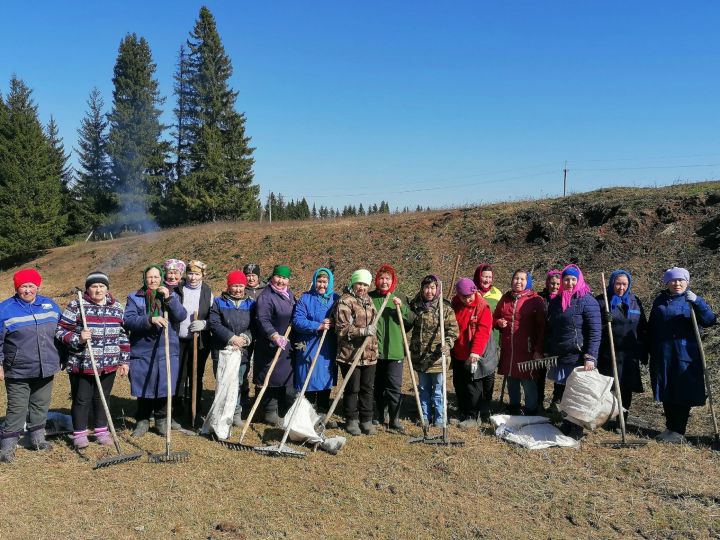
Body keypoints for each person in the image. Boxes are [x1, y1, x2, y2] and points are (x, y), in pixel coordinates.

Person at [56, 271, 131, 449]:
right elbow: (60, 331)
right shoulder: (76, 305)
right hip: (83, 362)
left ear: (107, 288)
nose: (98, 290)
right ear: (87, 289)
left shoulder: (117, 307)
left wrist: (124, 361)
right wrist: (79, 339)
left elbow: (123, 336)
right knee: (82, 398)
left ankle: (101, 431)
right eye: (94, 286)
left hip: (108, 363)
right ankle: (80, 434)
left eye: (101, 286)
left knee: (102, 397)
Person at [0, 269, 62, 463]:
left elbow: (62, 332)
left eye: (31, 286)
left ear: (38, 286)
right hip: (17, 369)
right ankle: (7, 448)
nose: (27, 290)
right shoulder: (5, 309)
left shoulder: (50, 305)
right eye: (23, 287)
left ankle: (37, 439)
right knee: (17, 408)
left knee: (40, 404)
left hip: (46, 367)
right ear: (17, 288)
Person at [648, 267, 717, 443]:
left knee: (682, 391)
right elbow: (652, 327)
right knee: (667, 389)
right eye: (673, 280)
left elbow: (710, 320)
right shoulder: (659, 301)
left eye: (681, 280)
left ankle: (678, 431)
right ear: (667, 282)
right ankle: (670, 427)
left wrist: (698, 302)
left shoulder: (691, 300)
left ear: (687, 282)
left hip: (685, 353)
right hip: (663, 354)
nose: (677, 283)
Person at [124, 264, 187, 437]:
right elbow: (128, 321)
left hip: (166, 347)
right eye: (149, 277)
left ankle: (161, 420)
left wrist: (169, 300)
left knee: (164, 385)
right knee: (144, 385)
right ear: (144, 278)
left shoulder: (171, 295)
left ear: (161, 278)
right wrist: (150, 319)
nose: (153, 280)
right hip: (143, 349)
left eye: (156, 277)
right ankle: (143, 420)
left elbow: (181, 316)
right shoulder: (134, 297)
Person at [545, 264, 601, 437]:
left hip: (578, 354)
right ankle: (567, 422)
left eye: (573, 280)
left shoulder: (587, 300)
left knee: (577, 392)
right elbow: (552, 328)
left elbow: (594, 331)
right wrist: (549, 349)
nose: (569, 283)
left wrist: (590, 356)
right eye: (566, 280)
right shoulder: (556, 301)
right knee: (565, 391)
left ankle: (576, 427)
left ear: (579, 280)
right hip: (562, 353)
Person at [596, 269, 648, 429]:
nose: (621, 287)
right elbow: (592, 327)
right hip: (608, 353)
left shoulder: (635, 301)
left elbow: (643, 328)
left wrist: (643, 350)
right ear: (612, 283)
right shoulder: (602, 301)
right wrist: (604, 322)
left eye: (624, 284)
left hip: (629, 354)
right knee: (606, 387)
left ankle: (622, 420)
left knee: (626, 388)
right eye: (618, 283)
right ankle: (602, 418)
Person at [408, 275, 459, 427]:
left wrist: (447, 343)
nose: (429, 291)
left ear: (437, 289)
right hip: (420, 355)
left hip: (437, 355)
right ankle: (424, 416)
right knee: (423, 388)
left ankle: (439, 418)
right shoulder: (416, 306)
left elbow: (453, 330)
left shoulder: (445, 308)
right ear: (422, 289)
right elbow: (407, 323)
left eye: (432, 288)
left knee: (438, 389)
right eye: (426, 287)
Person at [370, 264, 415, 432]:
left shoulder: (400, 297)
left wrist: (401, 308)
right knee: (378, 385)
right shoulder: (370, 297)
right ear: (377, 280)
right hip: (374, 350)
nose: (384, 281)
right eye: (381, 278)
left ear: (392, 280)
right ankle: (379, 414)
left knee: (394, 386)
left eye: (387, 278)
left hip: (395, 350)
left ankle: (395, 418)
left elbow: (411, 320)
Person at [494, 270, 546, 415]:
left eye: (522, 279)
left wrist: (538, 349)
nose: (518, 281)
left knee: (528, 379)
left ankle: (531, 409)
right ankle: (514, 406)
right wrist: (498, 322)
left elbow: (542, 328)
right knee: (511, 377)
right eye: (516, 278)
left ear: (528, 282)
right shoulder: (505, 298)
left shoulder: (535, 300)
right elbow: (495, 317)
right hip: (509, 347)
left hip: (527, 348)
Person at [208, 270, 255, 427]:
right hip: (222, 349)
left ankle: (235, 413)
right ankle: (220, 412)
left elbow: (255, 326)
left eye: (241, 286)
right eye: (235, 286)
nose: (238, 289)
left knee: (239, 381)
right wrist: (231, 338)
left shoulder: (251, 304)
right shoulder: (218, 302)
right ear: (229, 286)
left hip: (242, 350)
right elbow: (214, 323)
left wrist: (244, 339)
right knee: (223, 381)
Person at [335, 269, 379, 435]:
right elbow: (342, 329)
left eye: (365, 284)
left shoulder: (369, 300)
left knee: (367, 388)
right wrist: (362, 331)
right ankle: (351, 420)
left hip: (369, 353)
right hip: (350, 354)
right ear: (353, 282)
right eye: (359, 283)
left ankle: (366, 419)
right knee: (352, 388)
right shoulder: (345, 301)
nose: (362, 287)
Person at [292, 268, 339, 417]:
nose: (322, 285)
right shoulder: (305, 298)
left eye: (325, 282)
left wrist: (333, 322)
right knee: (309, 377)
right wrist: (318, 325)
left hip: (328, 345)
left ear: (329, 283)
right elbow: (297, 321)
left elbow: (344, 318)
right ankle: (308, 412)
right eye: (319, 281)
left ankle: (323, 411)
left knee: (326, 376)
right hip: (310, 345)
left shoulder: (336, 299)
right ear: (314, 282)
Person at [253, 265, 296, 426]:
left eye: (284, 278)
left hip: (286, 345)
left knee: (283, 377)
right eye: (278, 277)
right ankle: (270, 412)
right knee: (270, 377)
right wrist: (274, 335)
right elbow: (262, 319)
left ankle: (282, 409)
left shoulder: (289, 294)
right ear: (272, 277)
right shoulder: (266, 296)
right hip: (270, 344)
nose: (281, 281)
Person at [450, 277, 494, 427]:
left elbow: (483, 331)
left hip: (472, 354)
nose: (467, 300)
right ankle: (463, 411)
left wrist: (475, 352)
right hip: (458, 352)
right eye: (464, 297)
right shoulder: (455, 303)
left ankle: (473, 416)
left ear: (474, 292)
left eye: (469, 296)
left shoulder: (482, 307)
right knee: (459, 383)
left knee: (472, 386)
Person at [175, 259, 213, 427]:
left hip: (199, 342)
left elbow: (214, 316)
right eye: (190, 273)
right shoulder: (179, 289)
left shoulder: (207, 292)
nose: (193, 277)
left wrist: (205, 324)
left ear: (203, 275)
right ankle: (177, 410)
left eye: (197, 274)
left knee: (196, 375)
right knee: (179, 376)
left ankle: (195, 412)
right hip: (179, 340)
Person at [538, 269, 562, 409]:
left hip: (558, 341)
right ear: (547, 283)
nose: (555, 286)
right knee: (539, 373)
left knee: (559, 372)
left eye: (558, 284)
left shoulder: (565, 299)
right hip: (542, 340)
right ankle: (538, 401)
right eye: (552, 283)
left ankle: (556, 401)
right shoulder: (540, 298)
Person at [473, 263, 502, 345]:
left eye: (490, 277)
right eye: (485, 277)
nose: (487, 280)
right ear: (478, 277)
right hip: (473, 336)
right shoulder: (470, 291)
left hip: (492, 337)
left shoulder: (497, 293)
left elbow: (501, 314)